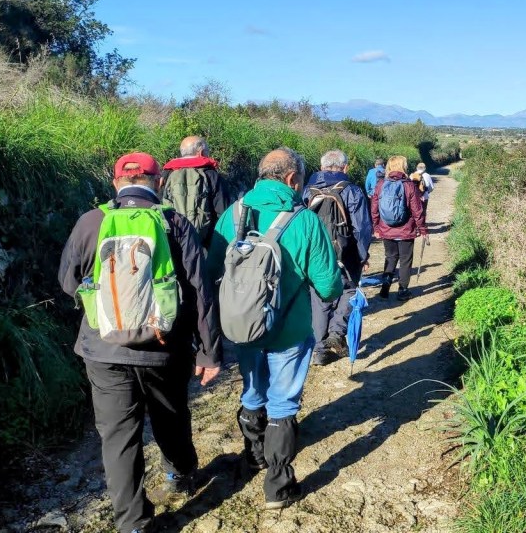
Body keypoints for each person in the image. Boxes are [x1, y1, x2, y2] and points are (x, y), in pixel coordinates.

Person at [58, 152, 222, 533]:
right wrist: (209, 351)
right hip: (164, 348)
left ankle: (133, 523)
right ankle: (180, 474)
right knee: (171, 417)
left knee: (118, 436)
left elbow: (68, 283)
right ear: (159, 182)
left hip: (104, 349)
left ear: (116, 182)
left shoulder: (91, 221)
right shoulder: (173, 223)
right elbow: (200, 292)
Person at [208, 147, 342, 510]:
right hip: (289, 330)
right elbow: (329, 286)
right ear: (292, 179)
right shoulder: (304, 220)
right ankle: (278, 486)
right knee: (283, 401)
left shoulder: (233, 214)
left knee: (252, 393)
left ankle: (254, 457)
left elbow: (208, 273)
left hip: (242, 326)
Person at [303, 150, 372, 365]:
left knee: (320, 298)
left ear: (322, 167)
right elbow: (362, 227)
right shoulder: (351, 191)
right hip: (346, 253)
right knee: (349, 290)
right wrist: (362, 255)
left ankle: (319, 350)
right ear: (345, 168)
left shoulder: (307, 191)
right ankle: (337, 333)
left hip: (315, 255)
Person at [371, 155, 427, 301]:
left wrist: (376, 228)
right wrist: (423, 229)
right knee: (405, 260)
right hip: (406, 230)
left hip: (386, 229)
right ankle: (403, 290)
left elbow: (374, 208)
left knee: (390, 258)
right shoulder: (409, 185)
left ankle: (385, 288)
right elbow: (417, 211)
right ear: (403, 167)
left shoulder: (381, 184)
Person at [162, 136, 230, 248]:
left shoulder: (166, 175)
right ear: (201, 152)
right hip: (204, 243)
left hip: (173, 241)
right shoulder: (212, 175)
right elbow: (222, 212)